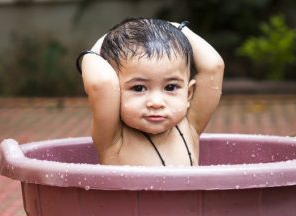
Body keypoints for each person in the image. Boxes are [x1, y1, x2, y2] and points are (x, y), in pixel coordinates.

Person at [77, 18, 224, 166]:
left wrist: (176, 27)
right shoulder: (113, 138)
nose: (156, 103)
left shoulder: (190, 126)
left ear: (188, 94)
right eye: (138, 88)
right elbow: (102, 83)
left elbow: (214, 67)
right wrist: (93, 52)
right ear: (116, 94)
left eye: (170, 87)